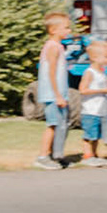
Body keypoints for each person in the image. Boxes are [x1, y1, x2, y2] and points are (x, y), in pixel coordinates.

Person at [34, 10, 74, 170]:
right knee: (52, 124)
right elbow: (51, 72)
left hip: (58, 94)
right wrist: (57, 95)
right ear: (53, 30)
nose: (69, 31)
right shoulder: (52, 47)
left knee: (61, 124)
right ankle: (43, 156)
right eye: (66, 28)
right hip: (52, 94)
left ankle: (54, 155)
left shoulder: (58, 46)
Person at [75, 39, 107, 166]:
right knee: (89, 135)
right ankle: (87, 156)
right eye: (106, 56)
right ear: (94, 57)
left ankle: (94, 155)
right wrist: (105, 90)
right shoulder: (89, 73)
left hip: (100, 109)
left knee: (97, 135)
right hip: (90, 110)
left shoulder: (102, 73)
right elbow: (83, 90)